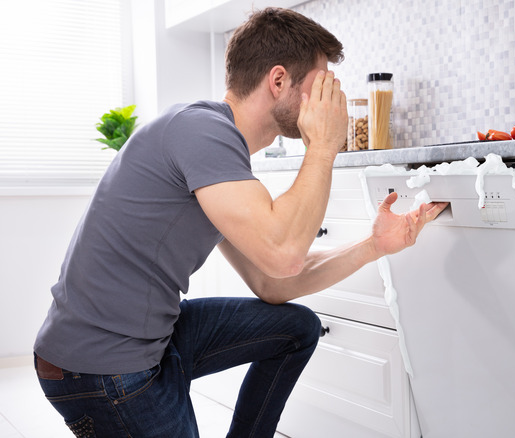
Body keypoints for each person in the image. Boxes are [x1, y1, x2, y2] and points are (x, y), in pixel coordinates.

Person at [33, 7, 447, 438]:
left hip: (147, 339)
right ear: (279, 80)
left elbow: (273, 282)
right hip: (100, 367)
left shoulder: (217, 147)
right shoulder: (202, 131)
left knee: (296, 328)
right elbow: (285, 256)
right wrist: (323, 145)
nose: (328, 101)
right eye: (320, 85)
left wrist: (372, 246)